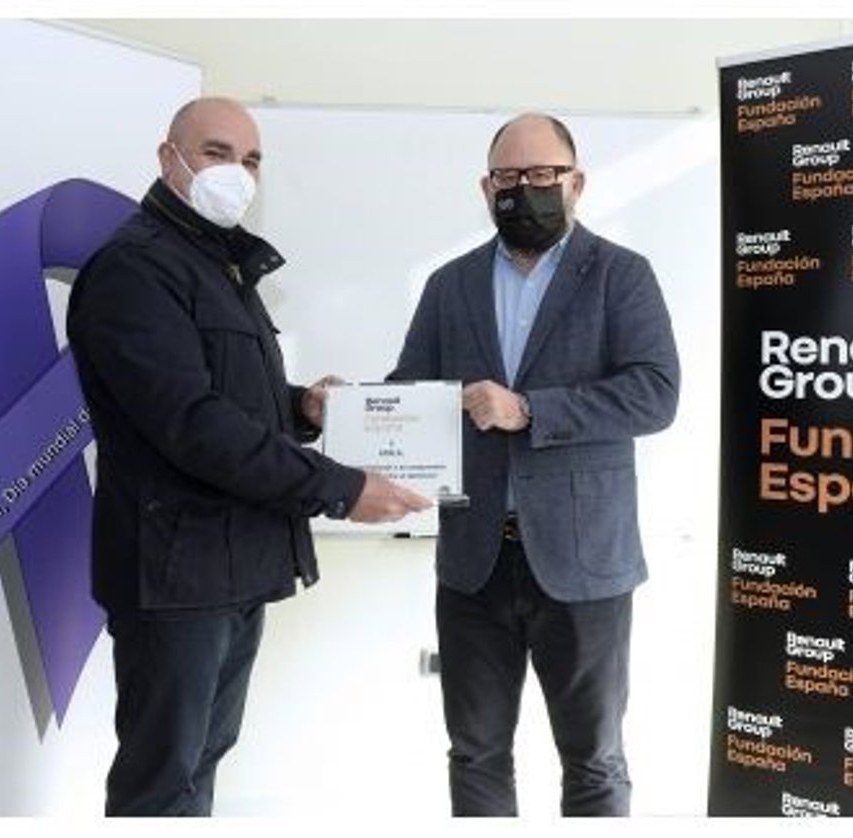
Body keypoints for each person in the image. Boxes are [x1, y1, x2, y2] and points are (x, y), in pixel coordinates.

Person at [66, 96, 430, 816]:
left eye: (252, 159)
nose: (237, 172)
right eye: (216, 152)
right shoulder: (136, 269)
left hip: (229, 565)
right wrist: (339, 488)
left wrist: (301, 407)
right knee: (161, 784)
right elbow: (192, 424)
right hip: (174, 575)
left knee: (201, 761)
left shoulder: (216, 264)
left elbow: (223, 397)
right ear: (168, 157)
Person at [389, 113, 680, 816]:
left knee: (594, 758)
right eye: (509, 176)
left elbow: (655, 394)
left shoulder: (620, 275)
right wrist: (356, 413)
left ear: (575, 183)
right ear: (486, 188)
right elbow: (409, 391)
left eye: (543, 173)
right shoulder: (449, 284)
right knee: (475, 753)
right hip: (474, 562)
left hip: (585, 563)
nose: (525, 188)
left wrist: (529, 409)